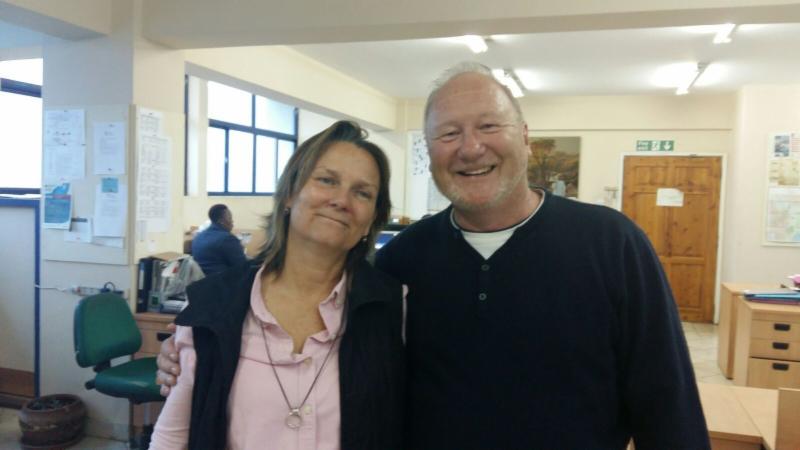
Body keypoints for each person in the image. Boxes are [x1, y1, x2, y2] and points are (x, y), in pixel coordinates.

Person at [158, 63, 709, 449]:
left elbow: (669, 405)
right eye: (448, 134)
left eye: (488, 126)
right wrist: (192, 350)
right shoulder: (403, 264)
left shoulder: (612, 245)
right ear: (430, 152)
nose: (470, 147)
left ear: (525, 137)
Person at [149, 121, 405, 450]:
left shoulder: (393, 308)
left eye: (362, 193)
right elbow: (172, 437)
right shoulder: (212, 305)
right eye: (327, 180)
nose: (342, 200)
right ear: (289, 194)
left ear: (372, 220)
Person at [190, 204, 247, 275]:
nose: (232, 221)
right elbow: (242, 266)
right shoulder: (227, 239)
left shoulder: (198, 237)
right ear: (221, 221)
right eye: (230, 218)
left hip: (201, 279)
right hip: (223, 280)